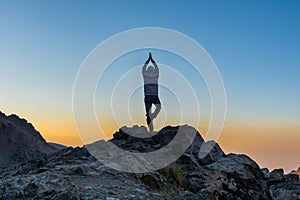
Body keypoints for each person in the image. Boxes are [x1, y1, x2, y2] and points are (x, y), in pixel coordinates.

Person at [142, 53, 161, 132]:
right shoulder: (156, 75)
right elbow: (157, 68)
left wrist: (147, 61)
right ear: (152, 70)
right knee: (159, 107)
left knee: (148, 113)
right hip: (154, 96)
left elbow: (143, 69)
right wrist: (153, 61)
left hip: (147, 96)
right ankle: (153, 116)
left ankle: (151, 129)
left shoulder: (145, 75)